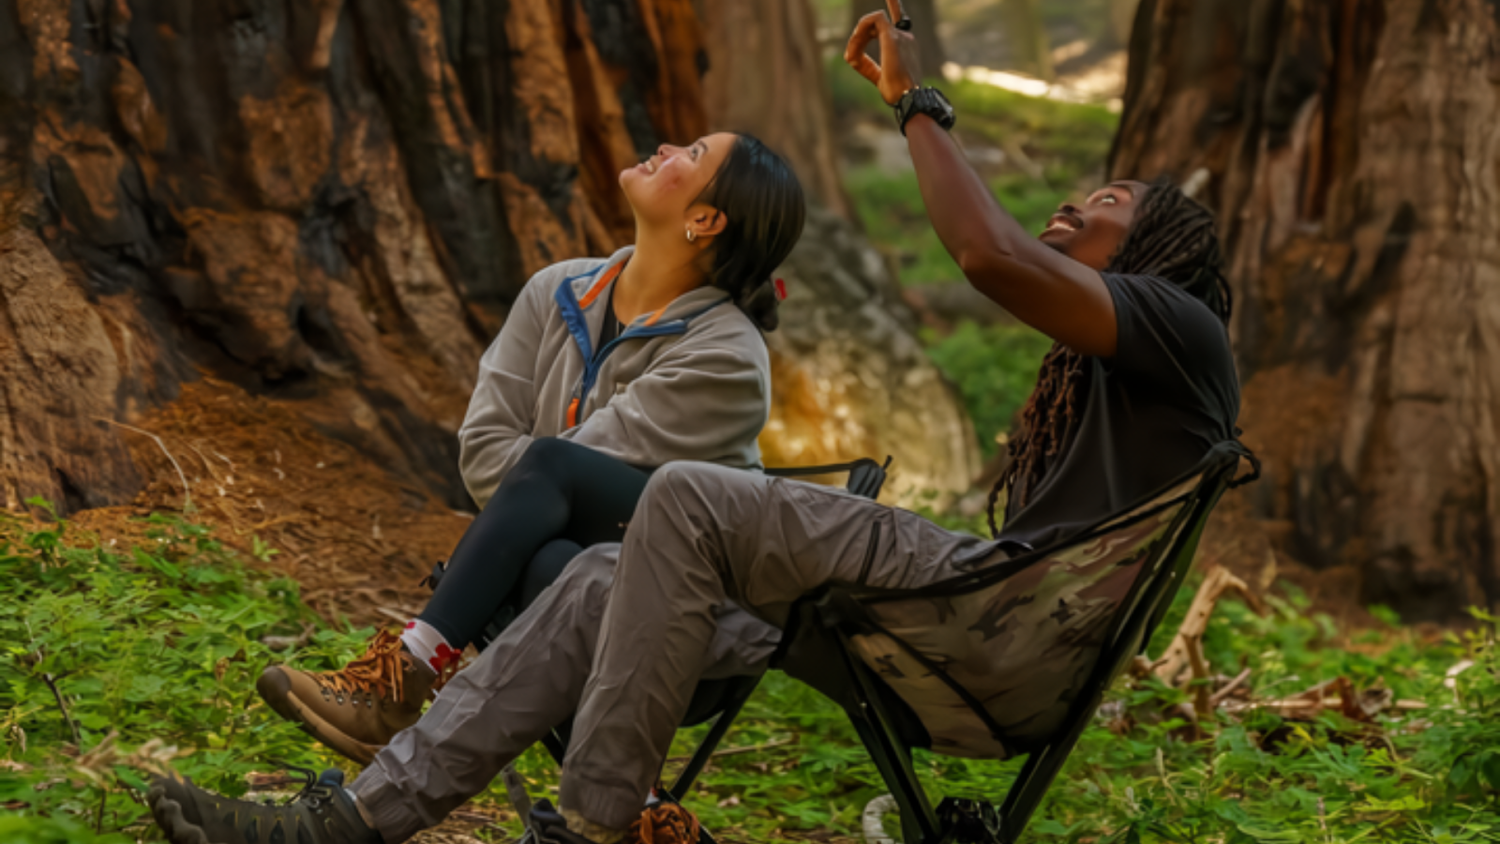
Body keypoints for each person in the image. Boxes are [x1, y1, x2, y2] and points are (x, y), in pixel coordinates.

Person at [146, 5, 1242, 843]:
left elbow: (989, 256)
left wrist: (921, 103)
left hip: (994, 613)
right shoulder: (1130, 366)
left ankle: (600, 821)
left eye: (1104, 207)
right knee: (594, 576)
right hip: (990, 629)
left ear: (1159, 256)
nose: (1073, 207)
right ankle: (340, 823)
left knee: (682, 492)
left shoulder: (1183, 331)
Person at [252, 131, 805, 765]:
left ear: (704, 219)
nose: (667, 145)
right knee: (556, 563)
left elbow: (557, 474)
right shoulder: (557, 291)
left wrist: (535, 494)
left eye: (695, 153)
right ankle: (630, 806)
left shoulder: (727, 357)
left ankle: (406, 675)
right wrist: (534, 500)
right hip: (571, 588)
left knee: (552, 475)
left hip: (692, 632)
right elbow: (484, 453)